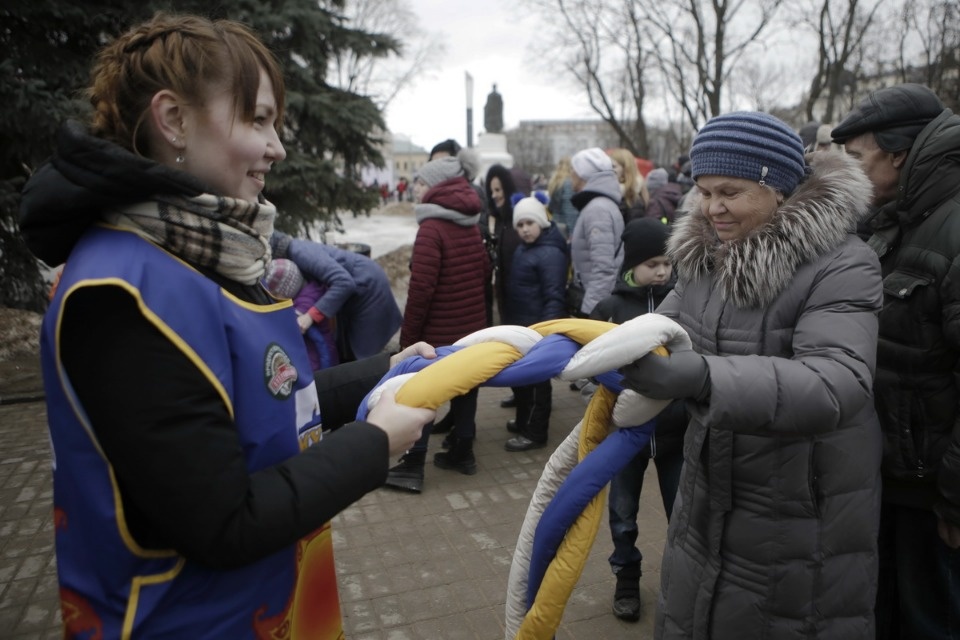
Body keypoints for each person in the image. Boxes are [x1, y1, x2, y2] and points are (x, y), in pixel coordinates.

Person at [16, 13, 436, 639]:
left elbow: (262, 408)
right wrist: (375, 444)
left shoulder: (206, 253)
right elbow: (222, 522)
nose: (278, 147)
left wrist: (389, 372)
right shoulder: (118, 293)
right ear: (174, 120)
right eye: (257, 120)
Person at [620, 111, 884, 638]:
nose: (712, 208)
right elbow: (663, 326)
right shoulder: (703, 254)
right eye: (703, 191)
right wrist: (599, 345)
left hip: (799, 514)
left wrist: (705, 380)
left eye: (730, 192)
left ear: (779, 188)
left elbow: (838, 382)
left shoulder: (841, 265)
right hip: (708, 492)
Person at [831, 83, 960, 640]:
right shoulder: (893, 218)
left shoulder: (951, 227)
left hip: (936, 495)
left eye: (858, 159)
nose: (851, 174)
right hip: (890, 477)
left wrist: (956, 497)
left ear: (899, 153)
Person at [589, 217, 686, 622]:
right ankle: (626, 576)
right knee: (623, 514)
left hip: (674, 431)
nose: (662, 271)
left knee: (681, 514)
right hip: (625, 436)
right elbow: (589, 357)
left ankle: (682, 582)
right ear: (632, 265)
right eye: (653, 264)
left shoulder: (682, 302)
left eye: (667, 262)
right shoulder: (611, 309)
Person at [386, 152, 490, 493]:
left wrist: (408, 339)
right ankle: (463, 452)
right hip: (470, 326)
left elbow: (420, 290)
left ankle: (412, 465)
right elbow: (481, 274)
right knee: (465, 386)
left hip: (436, 329)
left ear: (435, 186)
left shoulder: (432, 227)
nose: (414, 188)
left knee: (423, 392)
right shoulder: (468, 220)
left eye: (419, 182)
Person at [501, 193, 568, 452]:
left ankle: (536, 432)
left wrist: (546, 332)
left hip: (538, 330)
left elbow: (554, 296)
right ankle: (523, 422)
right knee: (523, 380)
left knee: (538, 384)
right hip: (523, 326)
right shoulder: (525, 248)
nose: (525, 229)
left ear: (541, 221)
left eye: (530, 223)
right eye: (520, 225)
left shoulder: (550, 253)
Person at [270, 231, 403, 361]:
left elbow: (344, 282)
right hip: (357, 289)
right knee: (347, 350)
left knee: (362, 359)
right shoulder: (292, 250)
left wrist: (310, 316)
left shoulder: (300, 252)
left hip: (368, 286)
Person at [568, 147, 624, 317]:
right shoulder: (598, 205)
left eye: (573, 170)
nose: (570, 174)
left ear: (583, 174)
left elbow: (604, 268)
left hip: (595, 304)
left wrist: (589, 312)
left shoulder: (597, 209)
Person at [263, 257, 339, 371]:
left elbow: (286, 329)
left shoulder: (303, 306)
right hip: (322, 351)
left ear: (286, 290)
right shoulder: (311, 289)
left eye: (275, 294)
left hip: (317, 359)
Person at [607, 147, 648, 223]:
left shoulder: (633, 199)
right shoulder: (616, 193)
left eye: (613, 166)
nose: (609, 170)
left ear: (625, 169)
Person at [546, 156, 578, 239]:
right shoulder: (568, 183)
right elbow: (569, 209)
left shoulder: (555, 182)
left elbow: (551, 207)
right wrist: (572, 233)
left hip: (556, 224)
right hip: (566, 229)